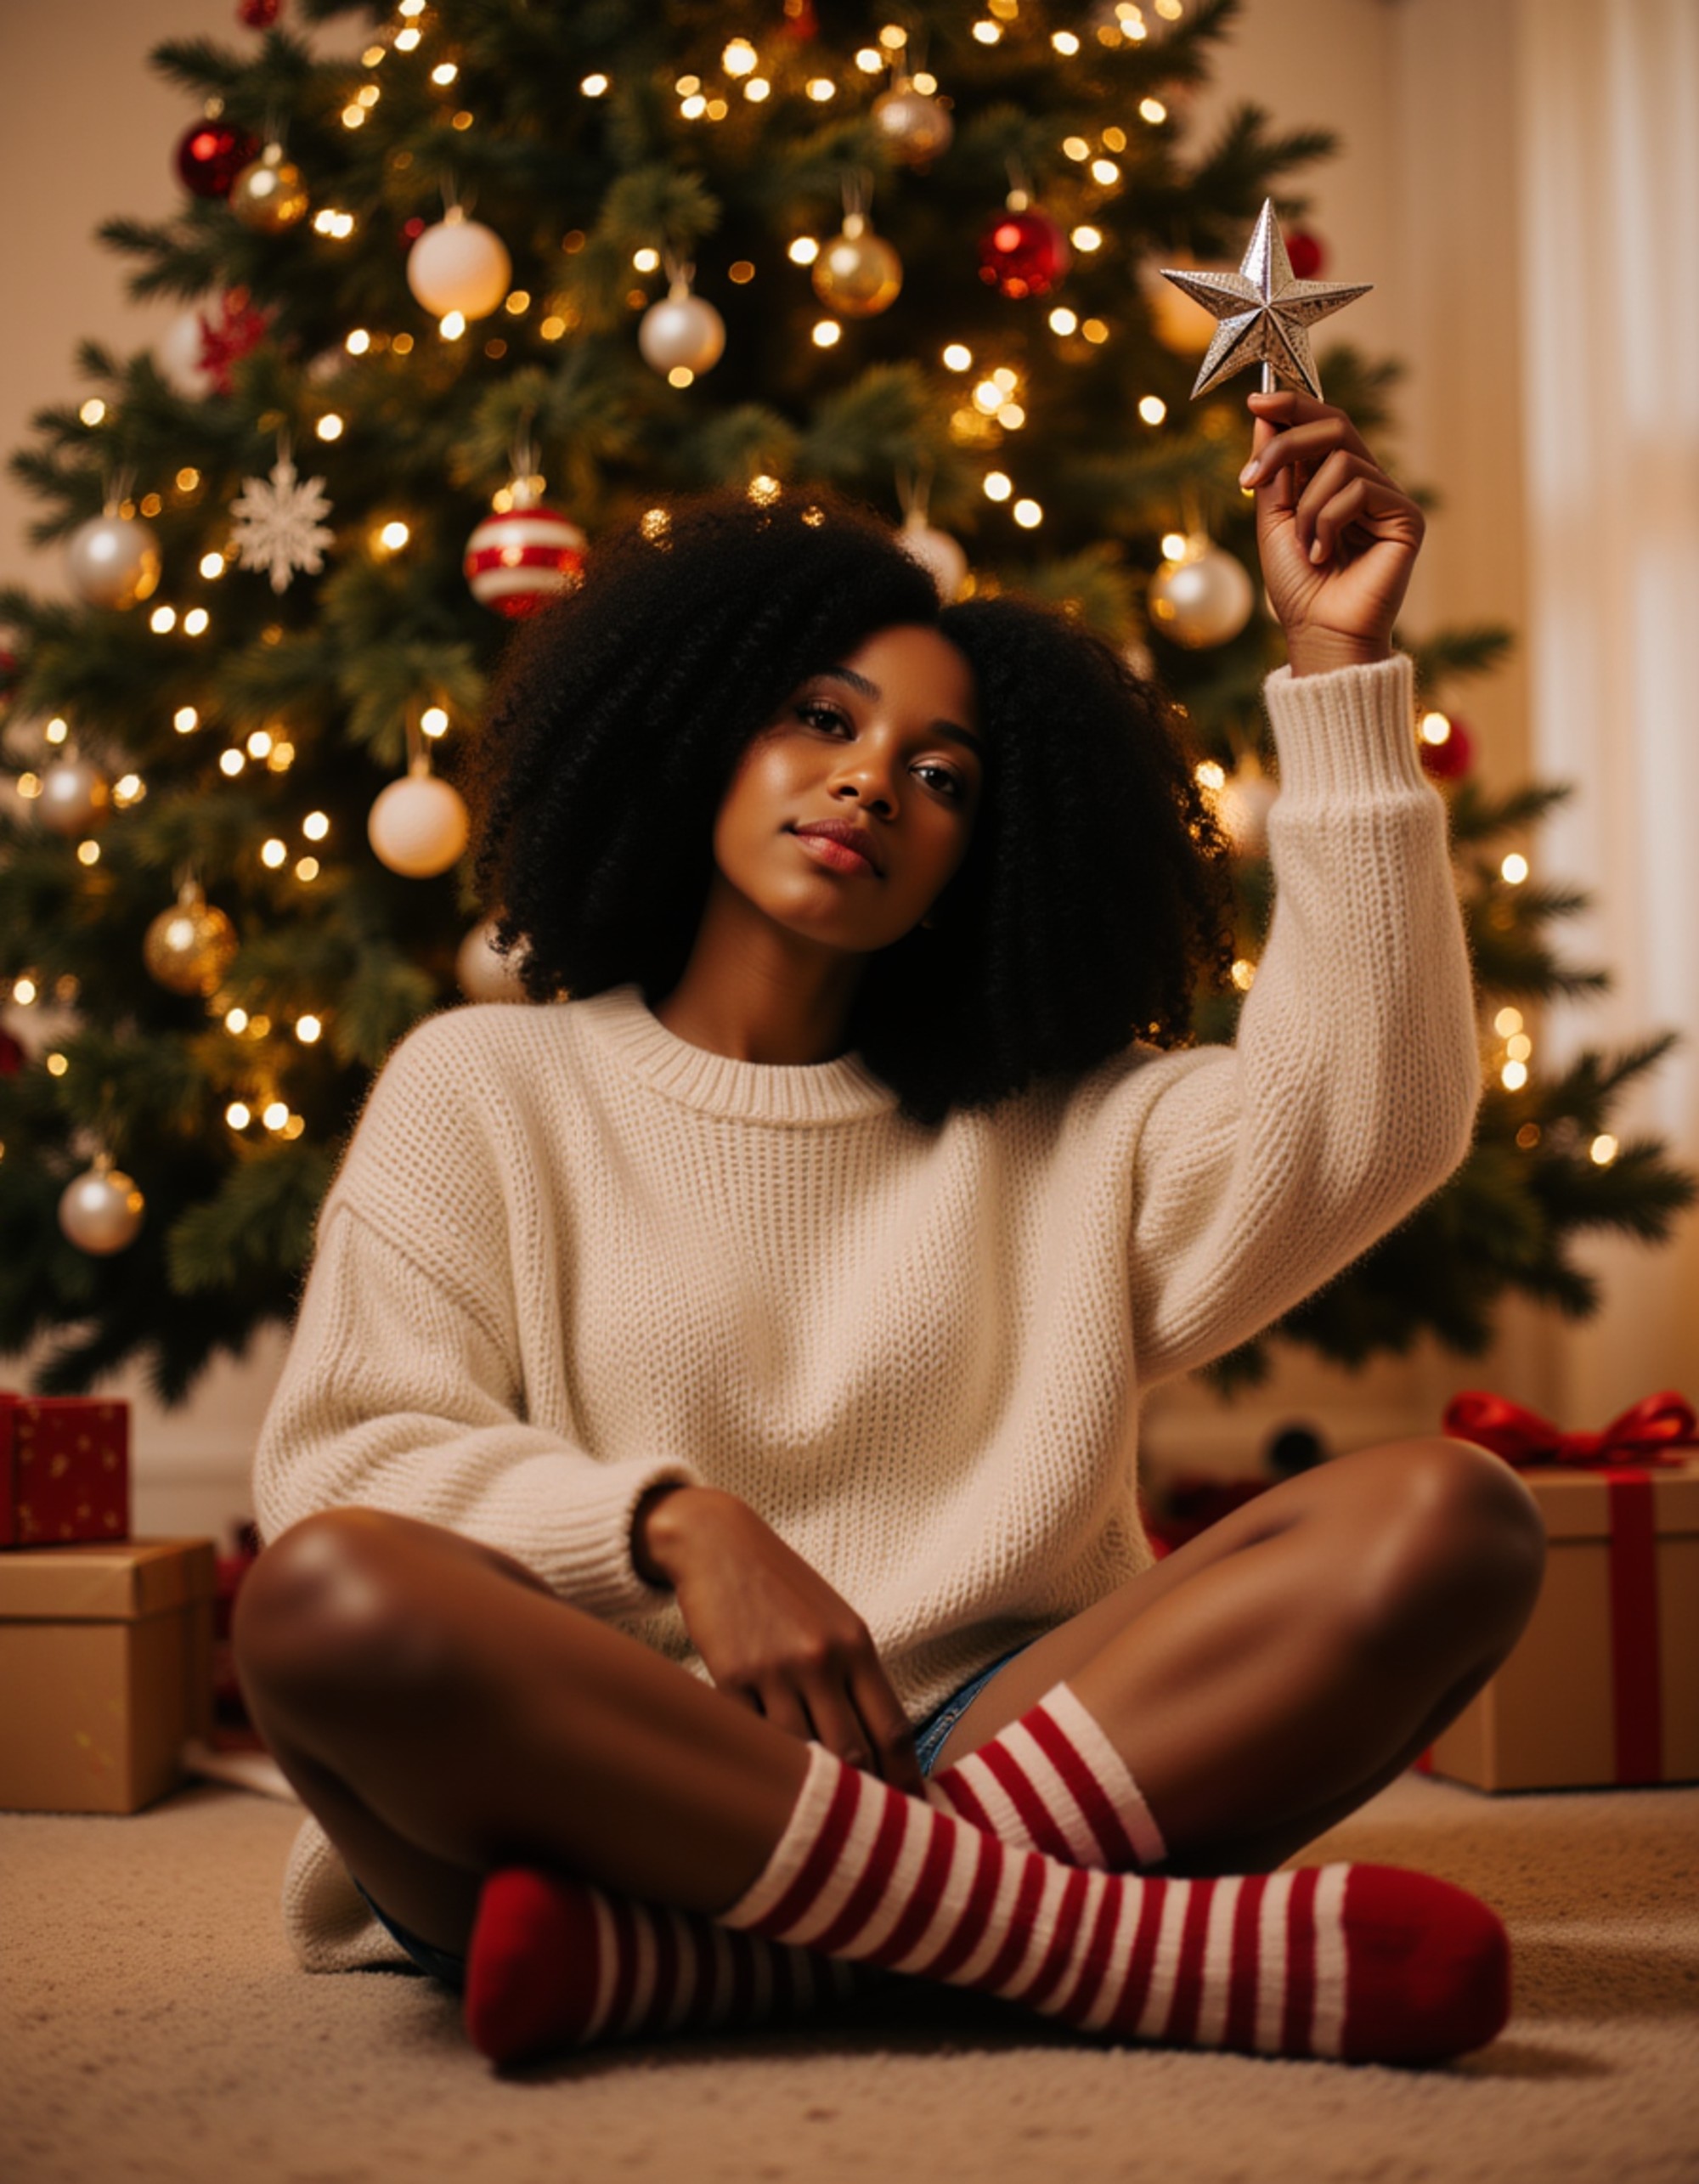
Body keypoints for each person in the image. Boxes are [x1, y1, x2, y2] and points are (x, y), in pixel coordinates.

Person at [234, 389, 1547, 2068]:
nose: (873, 780)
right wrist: (673, 1529)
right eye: (819, 718)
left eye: (942, 776)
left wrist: (1338, 666)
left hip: (1004, 1736)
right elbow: (344, 1463)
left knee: (1455, 1519)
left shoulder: (1062, 1120)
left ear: (977, 858)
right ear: (700, 731)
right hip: (598, 1782)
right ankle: (1078, 1946)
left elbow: (1373, 1124)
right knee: (321, 1603)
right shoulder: (483, 1084)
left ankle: (714, 1967)